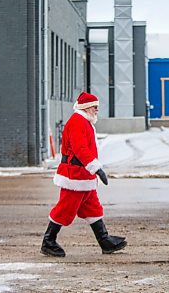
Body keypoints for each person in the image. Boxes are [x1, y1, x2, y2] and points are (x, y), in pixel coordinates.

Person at [41, 92, 127, 257]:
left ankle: (104, 241)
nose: (96, 110)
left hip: (83, 176)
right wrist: (97, 168)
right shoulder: (77, 122)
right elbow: (80, 149)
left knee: (93, 208)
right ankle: (48, 241)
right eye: (95, 107)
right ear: (86, 107)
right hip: (74, 176)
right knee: (65, 209)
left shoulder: (83, 122)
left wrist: (93, 170)